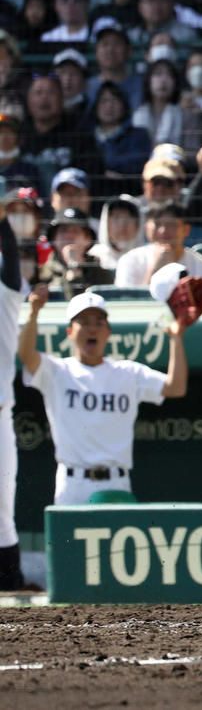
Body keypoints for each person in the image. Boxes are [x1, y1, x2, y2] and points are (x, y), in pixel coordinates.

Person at [19, 289, 189, 505]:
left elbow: (175, 387)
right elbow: (26, 355)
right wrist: (33, 313)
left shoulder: (127, 372)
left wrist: (176, 338)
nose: (92, 328)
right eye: (84, 322)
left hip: (116, 481)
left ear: (108, 332)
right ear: (70, 331)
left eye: (99, 322)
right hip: (73, 482)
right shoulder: (57, 370)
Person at [115, 202, 202, 287]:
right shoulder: (130, 261)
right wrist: (156, 268)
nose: (163, 231)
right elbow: (128, 303)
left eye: (171, 225)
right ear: (146, 227)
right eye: (157, 224)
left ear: (186, 229)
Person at [0, 212, 23, 589]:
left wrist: (2, 220)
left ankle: (9, 581)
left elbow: (13, 265)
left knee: (2, 508)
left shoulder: (5, 298)